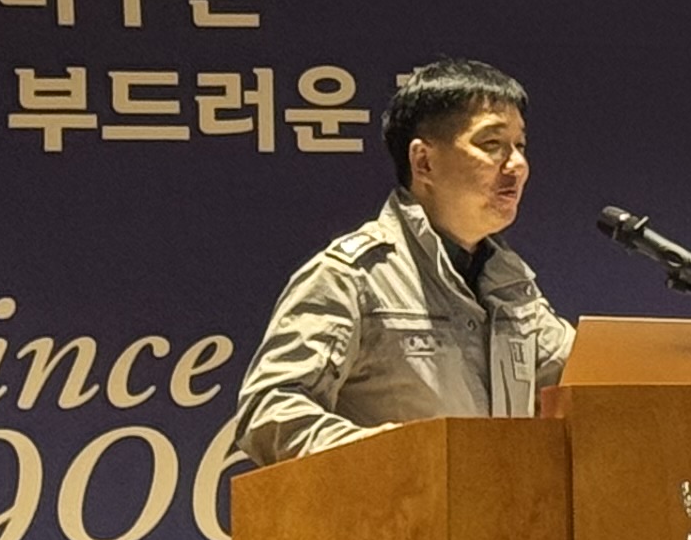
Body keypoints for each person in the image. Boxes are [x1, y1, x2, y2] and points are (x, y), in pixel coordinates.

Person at [234, 59, 575, 463]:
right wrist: (388, 453)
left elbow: (587, 382)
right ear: (423, 162)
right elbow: (269, 410)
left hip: (497, 503)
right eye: (492, 145)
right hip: (395, 502)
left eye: (520, 146)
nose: (516, 164)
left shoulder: (512, 286)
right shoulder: (353, 276)